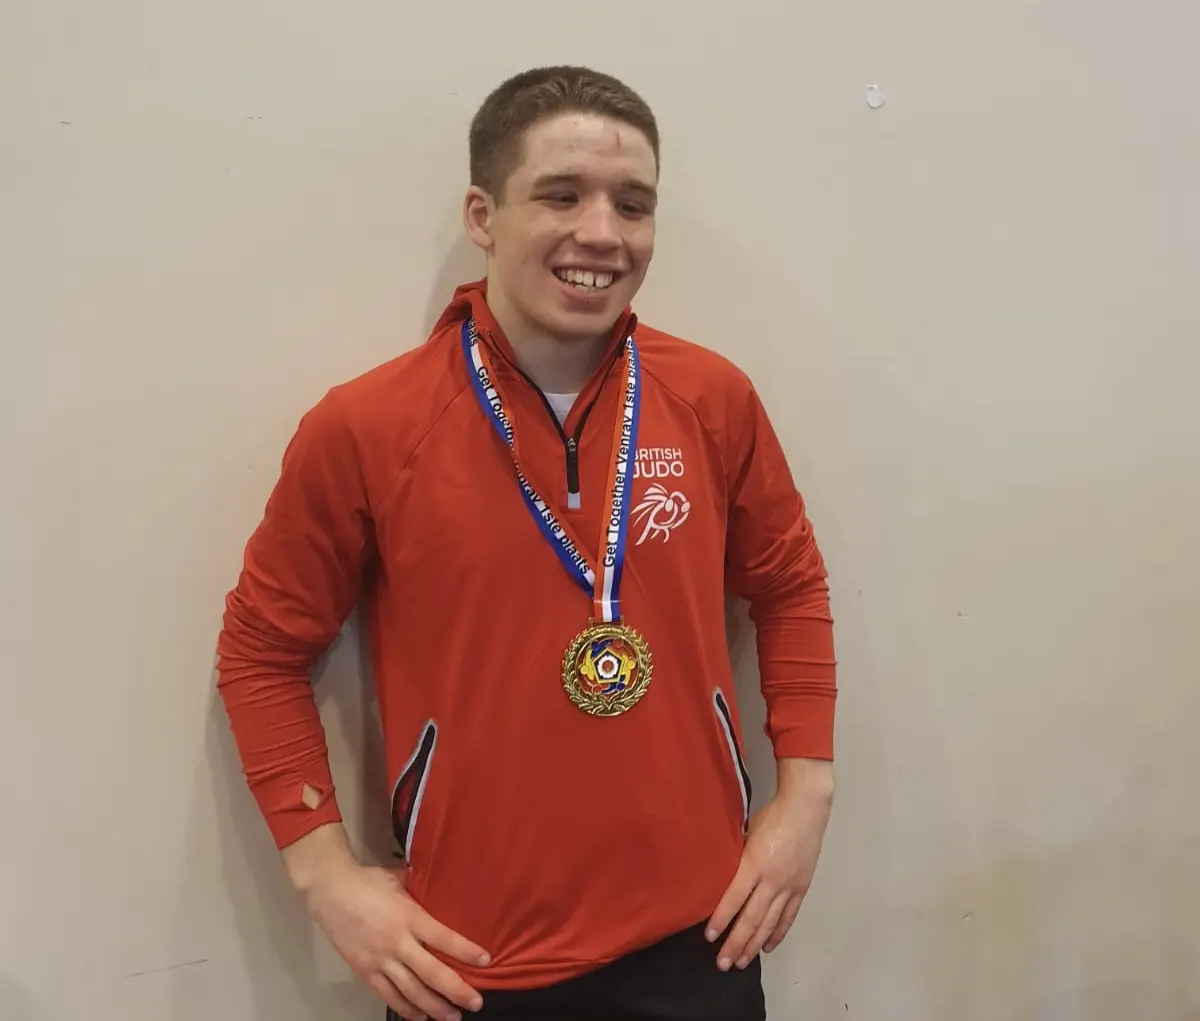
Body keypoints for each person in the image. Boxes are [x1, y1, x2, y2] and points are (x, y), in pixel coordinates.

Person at [216, 65, 837, 1021]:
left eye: (633, 204)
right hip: (467, 962)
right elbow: (260, 651)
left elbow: (790, 586)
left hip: (701, 935)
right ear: (482, 213)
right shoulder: (368, 426)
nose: (602, 232)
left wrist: (805, 796)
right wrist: (324, 874)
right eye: (562, 194)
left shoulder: (713, 399)